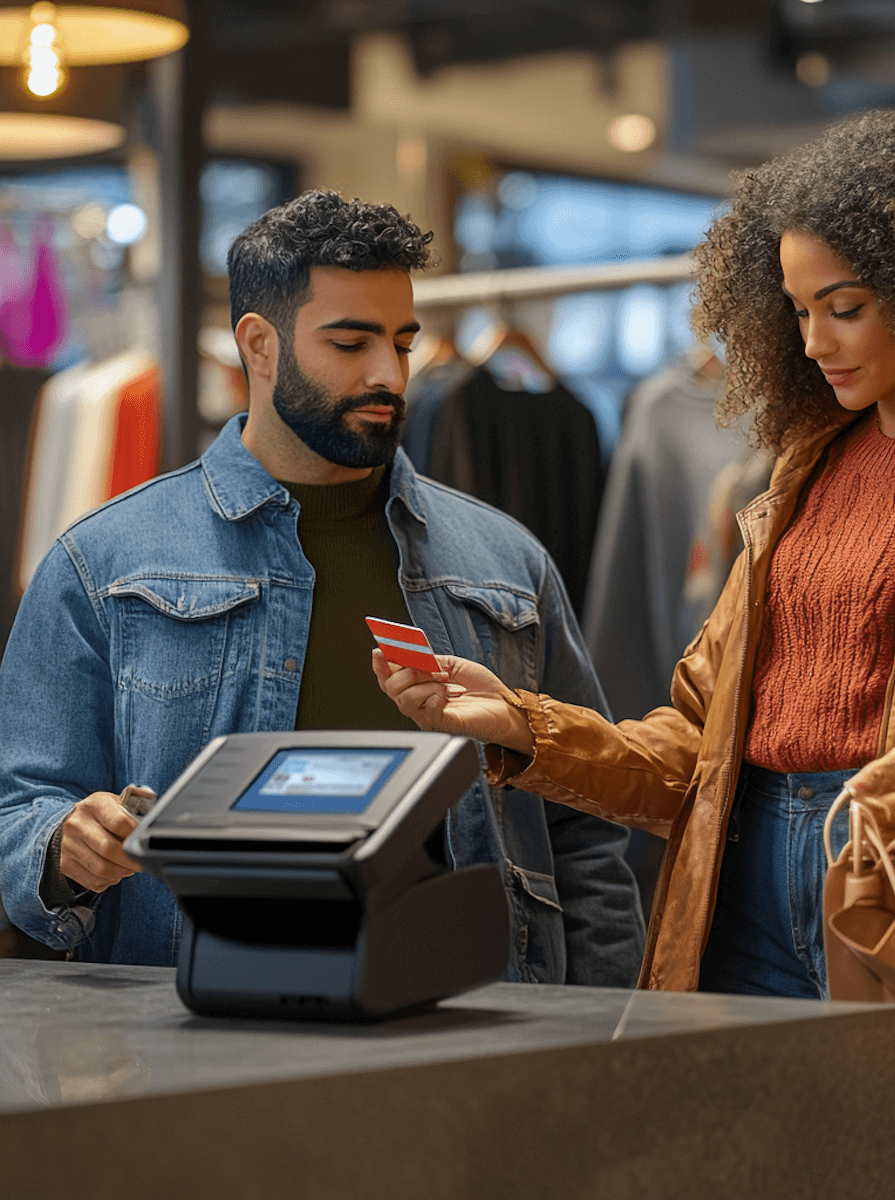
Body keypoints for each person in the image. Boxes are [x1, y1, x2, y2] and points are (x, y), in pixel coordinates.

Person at [374, 108, 895, 1198]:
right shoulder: (802, 477)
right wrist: (523, 726)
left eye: (844, 308)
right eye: (799, 310)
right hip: (743, 894)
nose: (814, 342)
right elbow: (701, 747)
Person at [0, 190, 645, 987]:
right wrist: (64, 845)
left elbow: (585, 835)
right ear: (259, 345)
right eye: (350, 342)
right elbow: (19, 809)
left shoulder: (505, 560)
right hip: (191, 1022)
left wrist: (606, 1032)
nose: (388, 374)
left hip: (477, 1016)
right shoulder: (103, 563)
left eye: (402, 343)